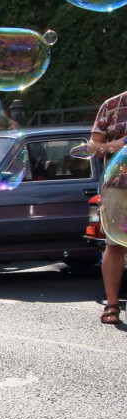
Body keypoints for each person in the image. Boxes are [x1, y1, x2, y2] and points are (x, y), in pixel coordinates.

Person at [91, 91, 127, 325]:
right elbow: (94, 146)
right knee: (114, 245)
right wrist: (123, 144)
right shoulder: (112, 105)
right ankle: (112, 304)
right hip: (117, 184)